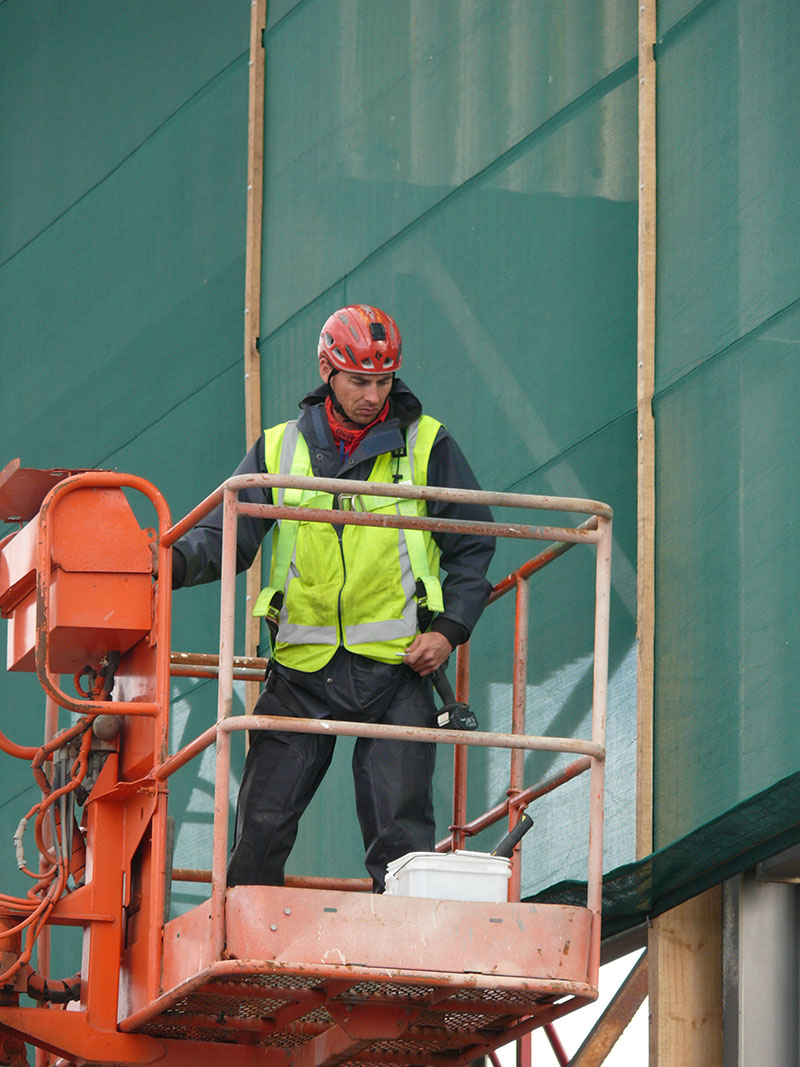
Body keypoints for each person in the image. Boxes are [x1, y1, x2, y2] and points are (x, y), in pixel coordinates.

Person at [170, 304, 495, 890]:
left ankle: (403, 961)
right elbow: (227, 538)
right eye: (359, 381)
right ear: (327, 370)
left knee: (401, 841)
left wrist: (448, 632)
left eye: (384, 380)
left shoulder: (427, 444)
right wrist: (163, 563)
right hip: (301, 674)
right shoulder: (278, 448)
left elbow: (472, 546)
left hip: (398, 670)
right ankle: (246, 955)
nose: (374, 395)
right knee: (261, 829)